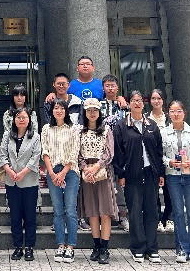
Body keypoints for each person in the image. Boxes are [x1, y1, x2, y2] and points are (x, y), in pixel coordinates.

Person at [113, 91, 164, 264]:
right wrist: (121, 174)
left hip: (150, 173)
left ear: (143, 103)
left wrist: (160, 173)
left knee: (152, 211)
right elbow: (118, 152)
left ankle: (152, 248)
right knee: (134, 212)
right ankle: (138, 248)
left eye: (140, 100)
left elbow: (158, 151)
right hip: (131, 174)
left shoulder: (151, 125)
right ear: (128, 104)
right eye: (134, 100)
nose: (137, 103)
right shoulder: (122, 126)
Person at [161, 100, 190, 265]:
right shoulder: (164, 133)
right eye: (172, 111)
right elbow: (160, 155)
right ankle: (181, 248)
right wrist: (169, 162)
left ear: (184, 113)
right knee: (178, 213)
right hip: (173, 176)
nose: (175, 114)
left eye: (179, 111)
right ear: (168, 113)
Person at [0, 107, 41, 262]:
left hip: (29, 181)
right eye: (18, 117)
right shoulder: (7, 135)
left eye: (24, 117)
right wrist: (9, 171)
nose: (21, 120)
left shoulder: (35, 136)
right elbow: (2, 155)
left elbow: (36, 157)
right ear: (14, 120)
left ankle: (29, 247)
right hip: (12, 181)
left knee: (30, 216)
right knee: (15, 216)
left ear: (29, 120)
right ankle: (17, 246)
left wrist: (22, 173)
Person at [41, 97, 81, 263]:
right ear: (52, 110)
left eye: (62, 108)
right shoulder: (46, 129)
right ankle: (60, 245)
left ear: (66, 111)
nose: (58, 111)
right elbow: (45, 151)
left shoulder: (74, 128)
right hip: (52, 172)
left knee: (70, 210)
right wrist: (51, 173)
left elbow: (74, 152)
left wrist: (63, 172)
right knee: (57, 211)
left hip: (70, 172)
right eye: (56, 108)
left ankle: (71, 246)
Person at [78, 98, 117, 265]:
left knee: (105, 212)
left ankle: (105, 248)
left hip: (103, 173)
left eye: (95, 110)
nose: (92, 113)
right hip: (87, 174)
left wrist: (95, 167)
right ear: (85, 113)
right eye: (89, 110)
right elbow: (78, 153)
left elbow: (109, 153)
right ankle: (96, 246)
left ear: (99, 112)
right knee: (92, 212)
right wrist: (85, 168)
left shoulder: (106, 130)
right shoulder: (80, 131)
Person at [100, 74, 129, 232]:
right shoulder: (98, 105)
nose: (110, 88)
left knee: (121, 183)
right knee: (104, 183)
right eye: (107, 85)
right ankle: (106, 217)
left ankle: (123, 216)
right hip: (103, 150)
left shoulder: (124, 106)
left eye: (113, 85)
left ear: (117, 88)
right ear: (103, 88)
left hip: (121, 150)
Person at [147, 89, 173, 234]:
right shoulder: (146, 118)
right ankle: (156, 219)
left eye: (159, 98)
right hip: (152, 159)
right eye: (153, 98)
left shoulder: (170, 118)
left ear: (163, 100)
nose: (156, 101)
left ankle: (168, 218)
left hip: (169, 159)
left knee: (169, 190)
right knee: (153, 192)